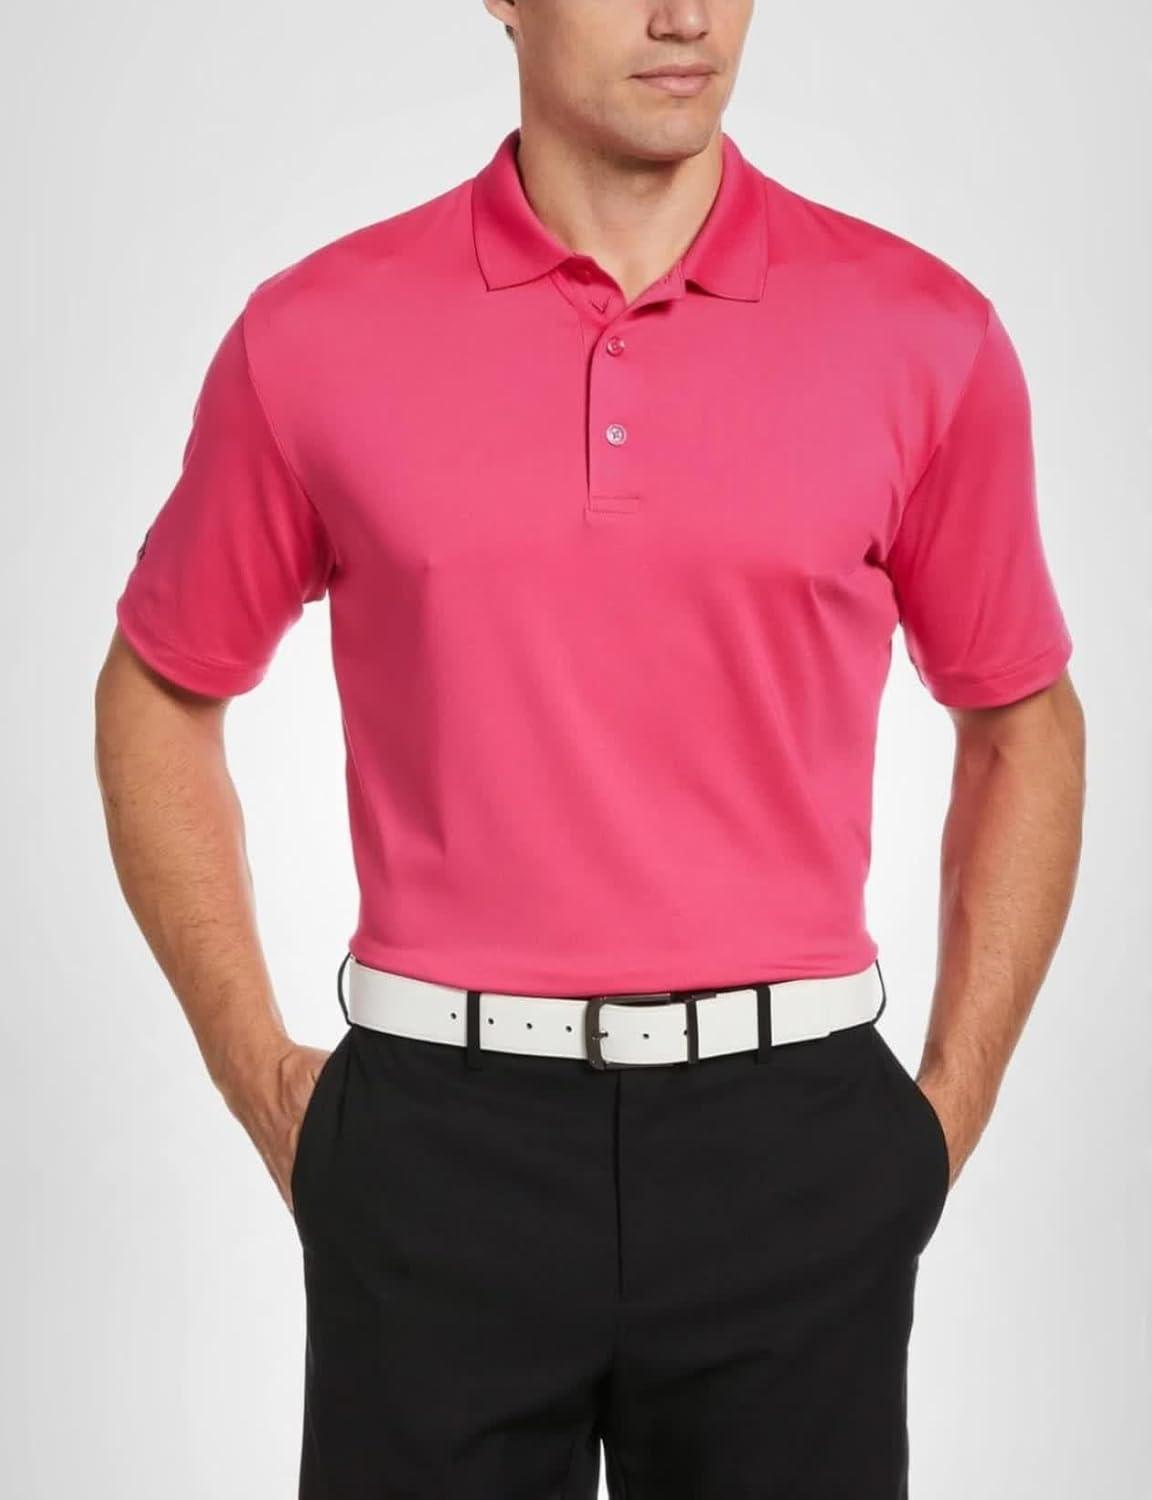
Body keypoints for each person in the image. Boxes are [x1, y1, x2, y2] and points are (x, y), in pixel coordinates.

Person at [93, 2, 1086, 1495]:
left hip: (793, 1143)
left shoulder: (923, 334)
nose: (685, 14)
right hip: (438, 1147)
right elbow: (160, 692)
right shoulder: (315, 337)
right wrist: (268, 1082)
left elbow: (1022, 721)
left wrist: (940, 1118)